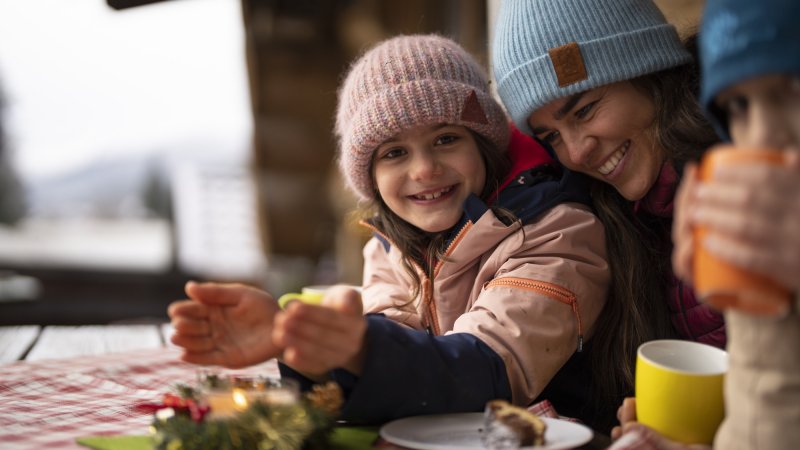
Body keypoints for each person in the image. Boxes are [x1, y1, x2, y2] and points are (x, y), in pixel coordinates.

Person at [169, 34, 611, 428]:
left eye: (445, 139)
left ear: (483, 143)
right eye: (395, 152)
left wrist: (358, 348)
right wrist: (300, 349)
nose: (424, 169)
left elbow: (490, 371)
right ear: (371, 177)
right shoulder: (391, 246)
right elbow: (395, 351)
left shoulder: (556, 230)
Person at [491, 0, 726, 432]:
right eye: (552, 137)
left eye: (584, 110)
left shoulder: (755, 177)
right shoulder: (617, 218)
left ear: (647, 73)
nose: (577, 152)